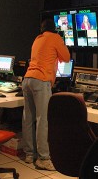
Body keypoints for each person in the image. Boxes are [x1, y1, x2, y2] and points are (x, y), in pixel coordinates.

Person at [22, 19, 70, 171]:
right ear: (54, 29)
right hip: (41, 80)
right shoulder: (55, 38)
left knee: (28, 118)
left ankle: (29, 154)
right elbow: (67, 58)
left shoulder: (37, 39)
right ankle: (43, 158)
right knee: (42, 120)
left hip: (27, 79)